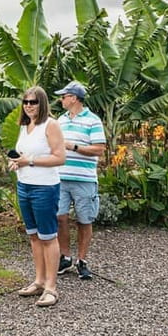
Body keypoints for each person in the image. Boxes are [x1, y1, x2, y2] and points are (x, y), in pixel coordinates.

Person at [8, 86, 65, 307]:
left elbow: (60, 158)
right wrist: (16, 162)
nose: (29, 106)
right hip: (25, 185)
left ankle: (51, 287)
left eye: (34, 102)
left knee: (48, 236)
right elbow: (23, 155)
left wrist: (29, 161)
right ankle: (39, 280)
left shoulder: (51, 125)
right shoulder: (25, 126)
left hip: (45, 187)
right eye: (26, 102)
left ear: (42, 103)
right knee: (33, 235)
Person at [55, 81, 106, 280]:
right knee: (60, 217)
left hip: (84, 179)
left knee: (84, 220)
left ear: (74, 98)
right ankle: (65, 256)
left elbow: (99, 148)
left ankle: (82, 261)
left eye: (64, 96)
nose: (61, 100)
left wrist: (73, 147)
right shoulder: (60, 120)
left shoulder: (93, 121)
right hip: (60, 178)